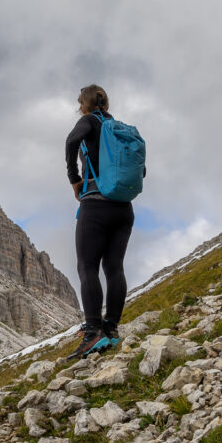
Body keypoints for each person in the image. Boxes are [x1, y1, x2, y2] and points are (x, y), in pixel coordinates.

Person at [64, 84, 140, 359]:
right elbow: (140, 169)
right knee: (114, 267)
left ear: (84, 105)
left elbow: (71, 142)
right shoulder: (120, 128)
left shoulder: (88, 121)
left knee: (87, 266)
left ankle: (93, 331)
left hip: (95, 204)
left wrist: (74, 179)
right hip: (124, 209)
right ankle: (111, 330)